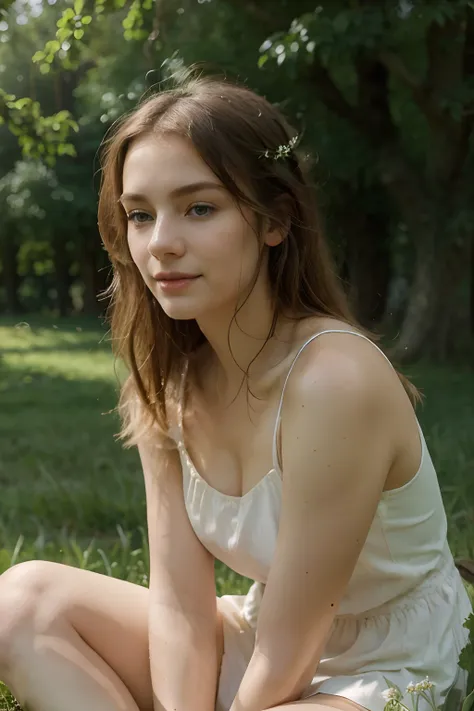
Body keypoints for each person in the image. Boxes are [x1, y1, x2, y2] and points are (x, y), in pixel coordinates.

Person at [0, 72, 471, 711]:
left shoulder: (334, 379)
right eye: (140, 214)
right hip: (260, 637)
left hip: (382, 663)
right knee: (20, 602)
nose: (160, 242)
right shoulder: (166, 384)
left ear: (275, 221)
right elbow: (180, 605)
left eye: (199, 207)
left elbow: (292, 645)